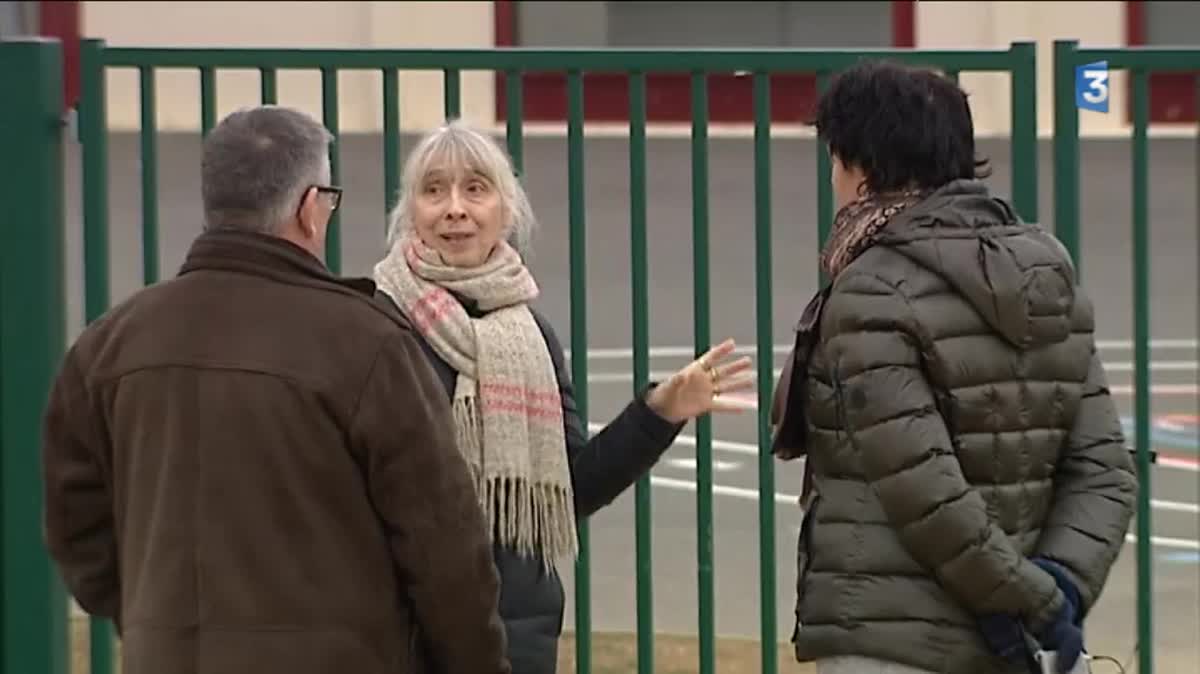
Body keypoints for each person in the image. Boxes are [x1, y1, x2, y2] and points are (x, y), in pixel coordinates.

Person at [41, 106, 511, 674]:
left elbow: (76, 526)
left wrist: (148, 616)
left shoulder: (106, 348)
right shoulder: (367, 344)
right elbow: (443, 549)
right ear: (310, 209)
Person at [770, 61, 1138, 674]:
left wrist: (1033, 600)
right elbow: (1103, 470)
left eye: (835, 159)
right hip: (1015, 644)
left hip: (893, 638)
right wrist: (1056, 592)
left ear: (862, 167)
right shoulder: (1046, 273)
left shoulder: (871, 289)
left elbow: (923, 489)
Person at [371, 119, 755, 674]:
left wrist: (661, 411)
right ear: (411, 213)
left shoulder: (532, 335)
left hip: (516, 638)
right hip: (403, 637)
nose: (455, 208)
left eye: (475, 188)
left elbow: (568, 492)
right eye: (434, 190)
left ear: (508, 210)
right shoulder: (378, 328)